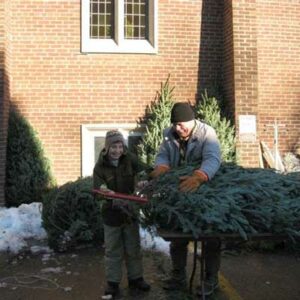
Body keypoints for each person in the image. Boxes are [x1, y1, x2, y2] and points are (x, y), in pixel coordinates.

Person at [149, 102, 222, 297]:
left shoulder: (207, 133)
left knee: (211, 236)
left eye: (183, 124)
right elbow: (162, 155)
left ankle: (210, 278)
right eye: (176, 124)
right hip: (179, 188)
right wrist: (162, 167)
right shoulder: (169, 134)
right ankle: (178, 275)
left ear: (193, 120)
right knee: (177, 235)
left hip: (205, 186)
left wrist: (200, 176)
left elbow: (213, 158)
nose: (178, 128)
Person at [93, 130, 150, 299]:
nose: (117, 150)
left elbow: (145, 170)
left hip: (130, 212)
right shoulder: (100, 167)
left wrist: (142, 179)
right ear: (107, 148)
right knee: (113, 250)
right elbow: (96, 190)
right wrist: (104, 191)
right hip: (111, 214)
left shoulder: (129, 159)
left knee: (133, 247)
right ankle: (113, 282)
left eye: (120, 146)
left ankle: (136, 278)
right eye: (113, 147)